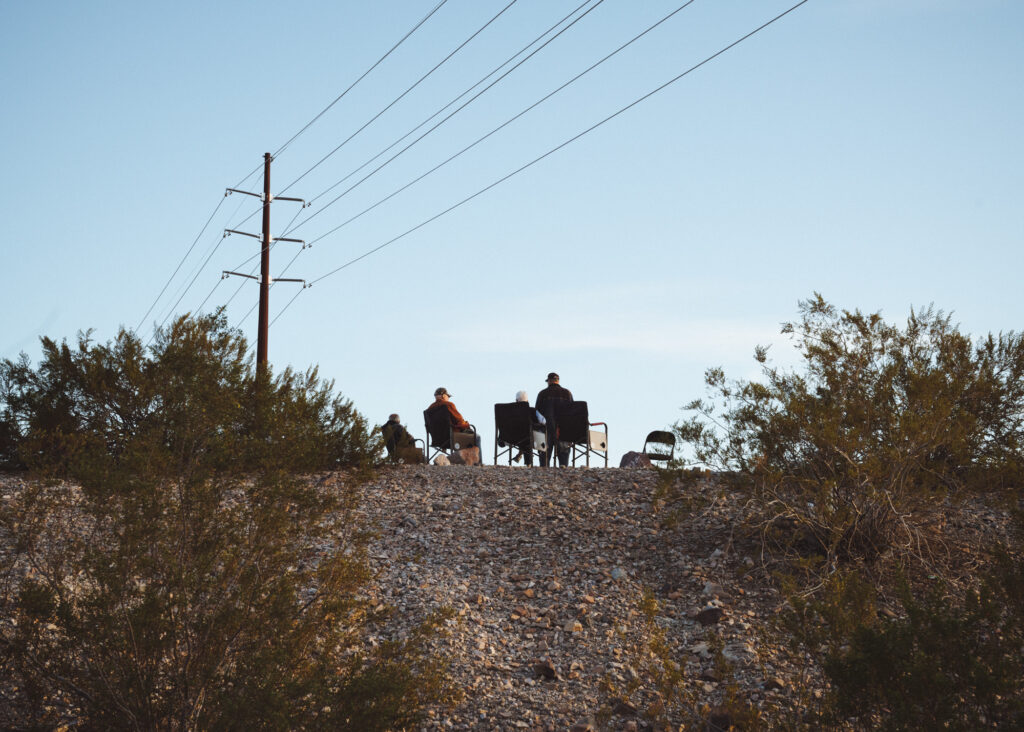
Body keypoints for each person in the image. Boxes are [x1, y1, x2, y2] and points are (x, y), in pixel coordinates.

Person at [426, 387, 482, 460]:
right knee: (476, 437)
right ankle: (478, 462)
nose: (448, 398)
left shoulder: (429, 409)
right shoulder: (448, 405)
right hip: (451, 438)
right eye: (448, 396)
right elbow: (459, 421)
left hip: (436, 440)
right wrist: (467, 425)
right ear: (443, 396)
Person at [535, 372, 573, 467]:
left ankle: (544, 467)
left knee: (545, 450)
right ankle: (563, 465)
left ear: (549, 381)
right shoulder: (567, 393)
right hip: (563, 429)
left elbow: (537, 413)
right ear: (558, 381)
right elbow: (572, 411)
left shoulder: (542, 393)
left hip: (546, 429)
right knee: (564, 448)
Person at [513, 390, 545, 466]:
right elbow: (544, 422)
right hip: (533, 439)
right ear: (527, 401)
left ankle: (523, 457)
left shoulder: (512, 412)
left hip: (513, 438)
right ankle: (543, 464)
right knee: (529, 436)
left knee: (524, 436)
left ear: (516, 401)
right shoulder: (532, 411)